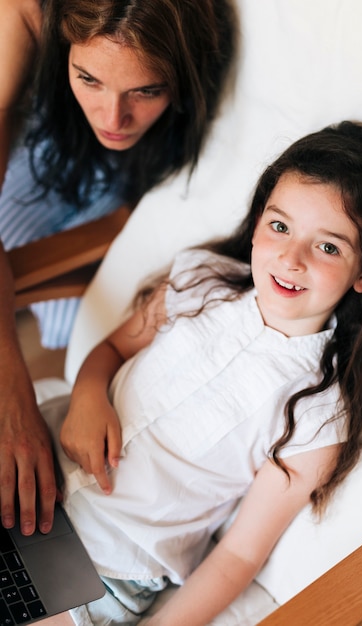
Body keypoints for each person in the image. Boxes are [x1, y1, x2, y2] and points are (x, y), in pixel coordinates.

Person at [40, 120, 362, 625]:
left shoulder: (318, 412)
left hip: (105, 563)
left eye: (328, 247)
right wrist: (88, 396)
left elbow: (238, 556)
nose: (290, 257)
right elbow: (111, 348)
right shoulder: (201, 279)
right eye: (280, 226)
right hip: (40, 468)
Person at [0, 0, 237, 535]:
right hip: (38, 152)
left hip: (114, 185)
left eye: (146, 90)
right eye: (88, 78)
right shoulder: (26, 17)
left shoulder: (196, 36)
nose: (113, 116)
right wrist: (13, 397)